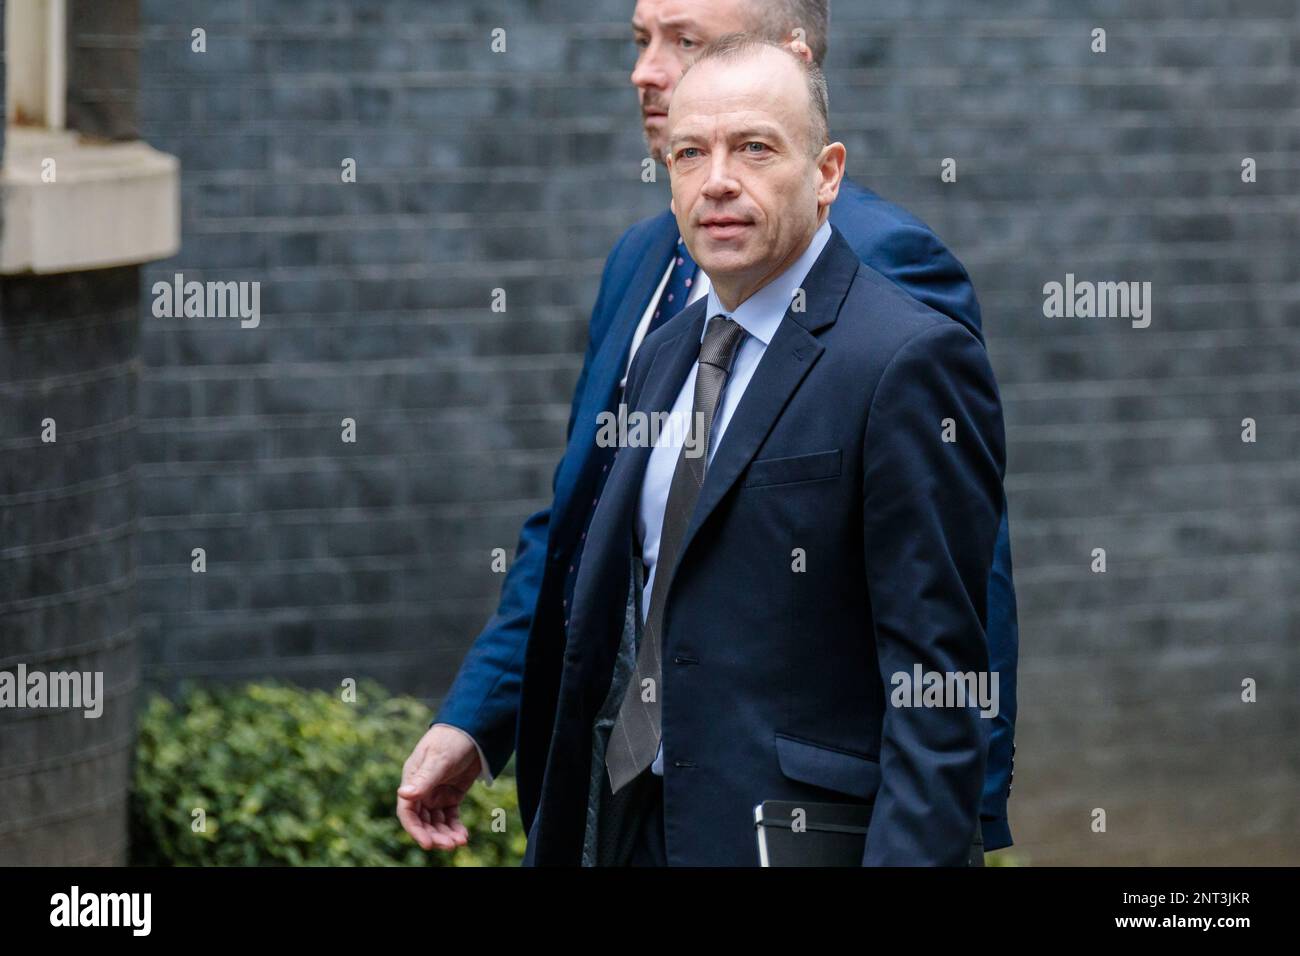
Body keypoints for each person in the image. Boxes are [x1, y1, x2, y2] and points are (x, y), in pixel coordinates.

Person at [397, 0, 1018, 862]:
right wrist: (484, 716)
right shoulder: (664, 338)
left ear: (826, 169)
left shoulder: (905, 339)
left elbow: (941, 660)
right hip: (618, 820)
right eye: (692, 153)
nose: (717, 179)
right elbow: (582, 543)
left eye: (754, 148)